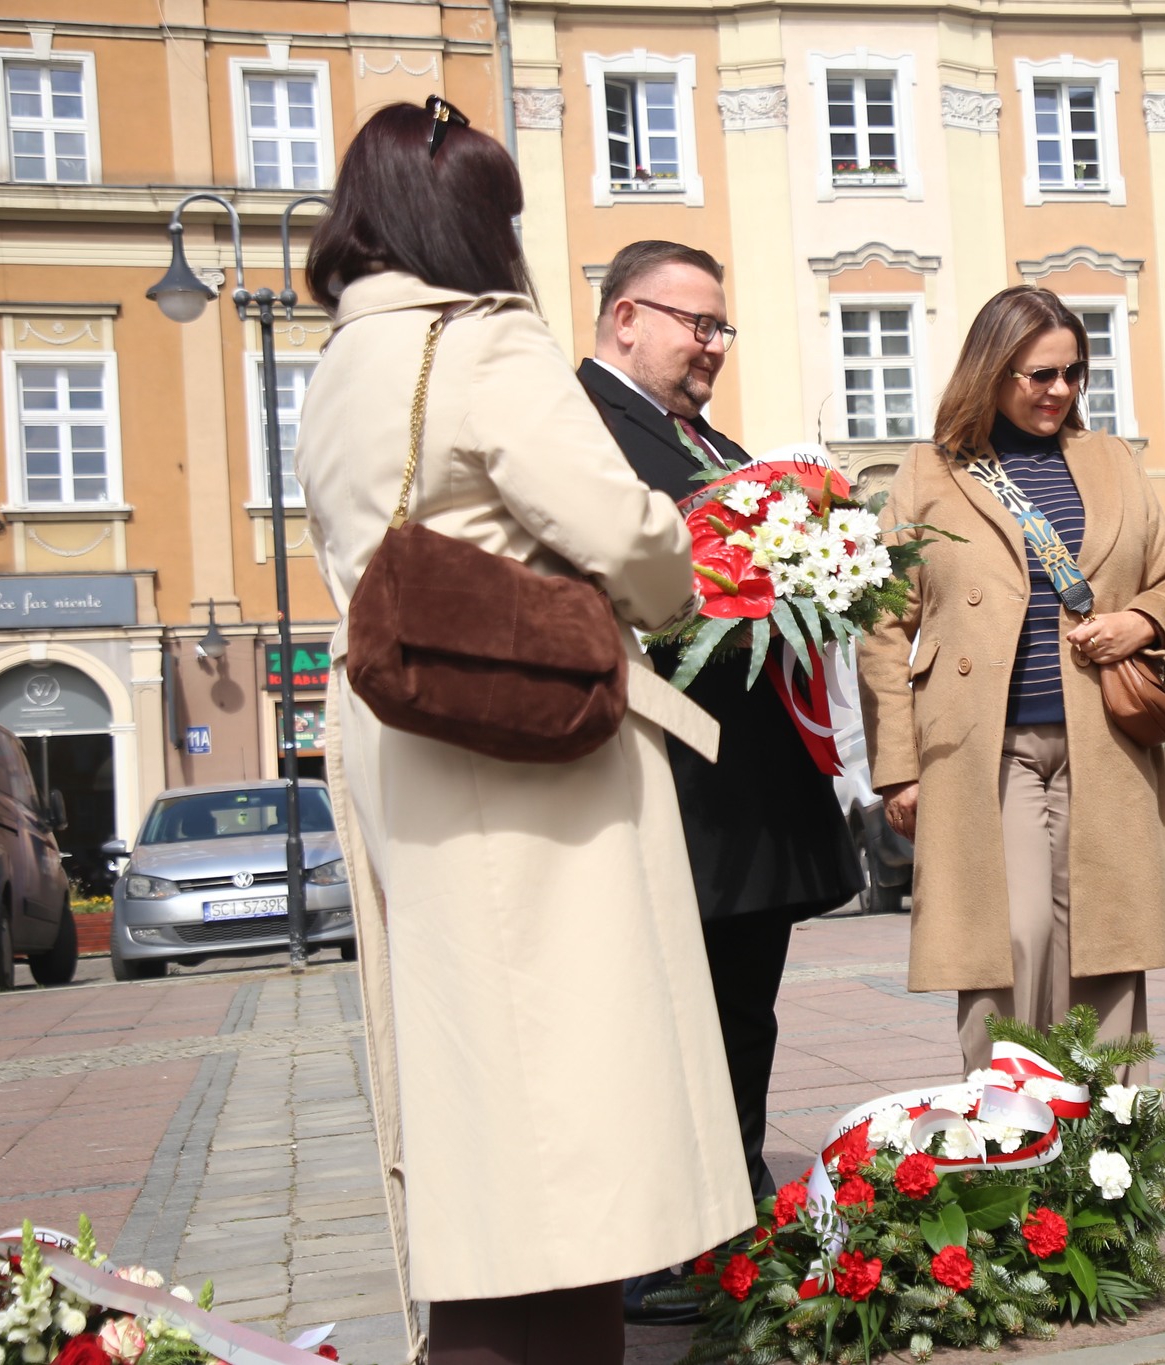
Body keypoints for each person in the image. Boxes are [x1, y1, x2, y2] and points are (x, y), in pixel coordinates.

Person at [294, 101, 752, 1363]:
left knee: (483, 1116)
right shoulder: (480, 344)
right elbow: (624, 532)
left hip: (402, 737)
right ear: (466, 222)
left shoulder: (340, 362)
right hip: (528, 743)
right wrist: (678, 570)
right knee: (580, 1109)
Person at [577, 240, 864, 1321]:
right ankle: (657, 1242)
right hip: (664, 777)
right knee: (669, 1018)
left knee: (742, 1009)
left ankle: (730, 1212)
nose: (710, 347)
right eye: (694, 325)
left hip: (744, 785)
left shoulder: (715, 441)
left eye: (719, 329)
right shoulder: (585, 428)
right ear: (624, 320)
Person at [858, 286, 1165, 1075]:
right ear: (992, 369)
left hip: (1105, 738)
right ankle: (1009, 1140)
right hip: (983, 748)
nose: (1060, 391)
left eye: (1074, 373)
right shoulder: (930, 471)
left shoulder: (1111, 460)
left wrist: (1140, 623)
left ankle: (1112, 1149)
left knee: (1106, 943)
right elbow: (882, 624)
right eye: (1039, 373)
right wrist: (897, 765)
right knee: (1007, 940)